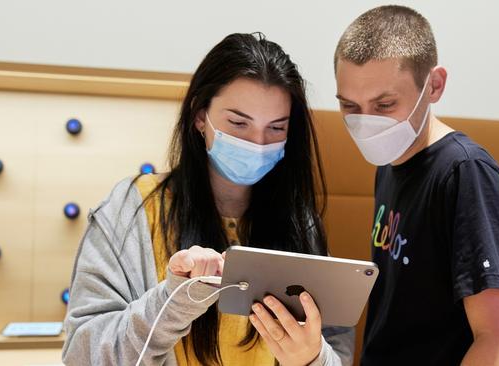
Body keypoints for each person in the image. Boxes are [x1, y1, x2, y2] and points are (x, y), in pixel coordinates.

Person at [62, 32, 354, 366]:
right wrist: (172, 302)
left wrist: (311, 358)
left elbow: (338, 350)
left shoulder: (299, 223)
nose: (257, 143)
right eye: (238, 123)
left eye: (276, 128)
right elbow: (83, 356)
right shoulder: (132, 210)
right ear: (201, 117)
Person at [333, 6, 499, 366]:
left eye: (385, 104)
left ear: (434, 86)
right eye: (349, 106)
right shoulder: (390, 164)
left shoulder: (466, 173)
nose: (366, 123)